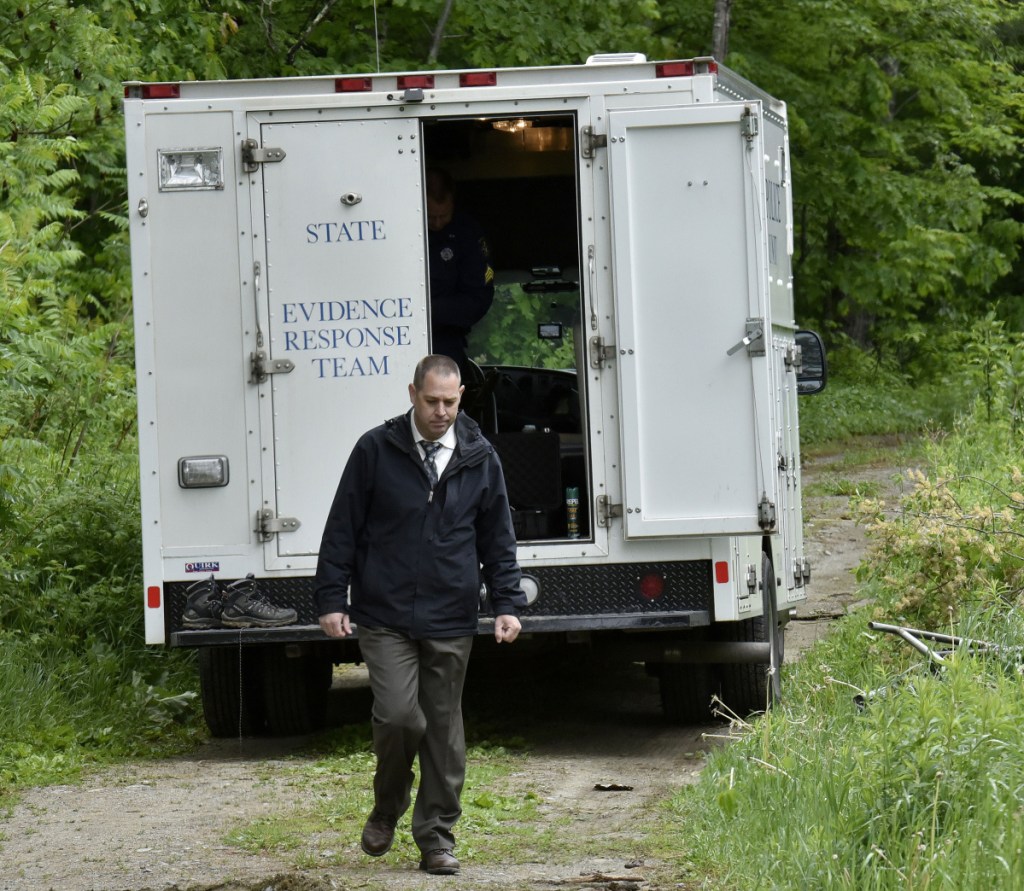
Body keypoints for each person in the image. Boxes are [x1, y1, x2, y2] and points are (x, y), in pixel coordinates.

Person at [314, 354, 525, 876]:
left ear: (460, 400)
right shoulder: (375, 449)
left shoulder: (480, 456)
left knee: (443, 729)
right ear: (412, 394)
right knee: (398, 716)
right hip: (384, 612)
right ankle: (388, 805)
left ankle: (436, 838)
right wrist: (329, 599)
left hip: (451, 613)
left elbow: (498, 537)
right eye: (431, 401)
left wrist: (506, 603)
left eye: (450, 402)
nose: (440, 412)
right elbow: (342, 526)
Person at [425, 168, 495, 377]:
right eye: (431, 217)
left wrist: (428, 310)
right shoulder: (403, 228)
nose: (437, 223)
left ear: (453, 203)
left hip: (447, 339)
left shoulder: (468, 234)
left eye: (443, 216)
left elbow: (478, 298)